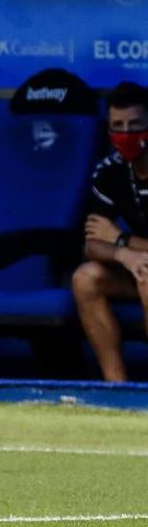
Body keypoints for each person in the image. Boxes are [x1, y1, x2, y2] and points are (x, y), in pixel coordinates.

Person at [73, 81, 148, 382]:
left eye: (135, 125)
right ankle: (117, 389)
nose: (127, 134)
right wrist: (123, 255)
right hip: (139, 265)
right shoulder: (110, 171)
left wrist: (122, 240)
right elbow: (91, 244)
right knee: (85, 278)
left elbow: (110, 235)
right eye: (118, 126)